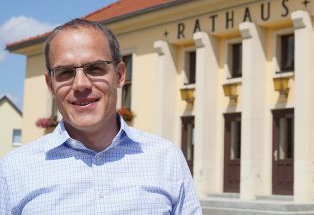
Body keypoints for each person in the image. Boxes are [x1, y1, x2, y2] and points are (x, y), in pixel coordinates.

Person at [0, 19, 202, 214]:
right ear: (50, 84)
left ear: (120, 75)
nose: (80, 84)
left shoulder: (166, 159)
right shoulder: (13, 170)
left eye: (95, 68)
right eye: (65, 72)